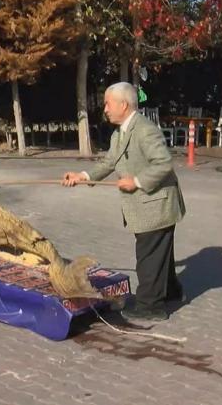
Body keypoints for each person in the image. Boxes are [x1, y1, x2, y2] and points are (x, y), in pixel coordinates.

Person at [62, 82, 185, 321]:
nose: (105, 108)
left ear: (123, 104)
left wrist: (137, 181)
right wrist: (83, 177)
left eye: (108, 103)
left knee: (148, 256)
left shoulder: (144, 130)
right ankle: (170, 291)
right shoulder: (120, 132)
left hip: (156, 204)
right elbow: (109, 162)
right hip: (146, 205)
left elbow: (164, 163)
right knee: (160, 253)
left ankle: (150, 307)